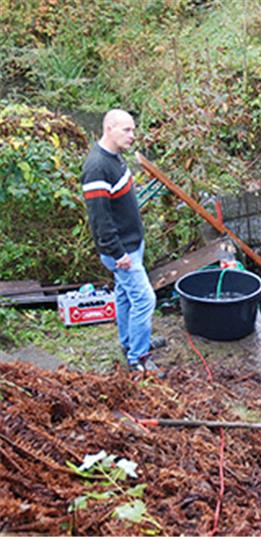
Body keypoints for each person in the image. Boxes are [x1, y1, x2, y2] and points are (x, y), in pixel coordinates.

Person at [81, 109, 164, 375]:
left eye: (133, 129)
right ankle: (138, 359)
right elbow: (100, 221)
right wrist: (118, 254)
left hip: (131, 245)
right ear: (109, 128)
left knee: (125, 296)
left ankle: (130, 343)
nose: (132, 135)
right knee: (144, 299)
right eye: (126, 130)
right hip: (121, 251)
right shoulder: (96, 167)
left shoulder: (115, 157)